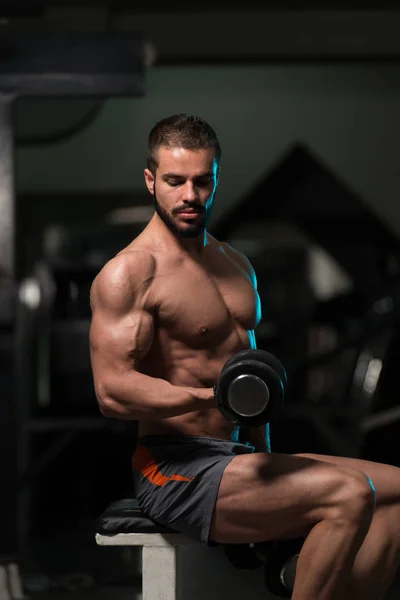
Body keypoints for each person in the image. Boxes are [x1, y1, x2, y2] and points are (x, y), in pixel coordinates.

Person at [89, 114, 400, 600]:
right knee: (351, 493)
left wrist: (267, 456)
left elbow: (248, 372)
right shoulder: (131, 273)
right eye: (174, 181)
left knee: (395, 493)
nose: (189, 195)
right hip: (174, 467)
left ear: (216, 179)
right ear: (151, 180)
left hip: (238, 459)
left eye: (201, 181)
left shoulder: (235, 264)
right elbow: (111, 391)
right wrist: (206, 398)